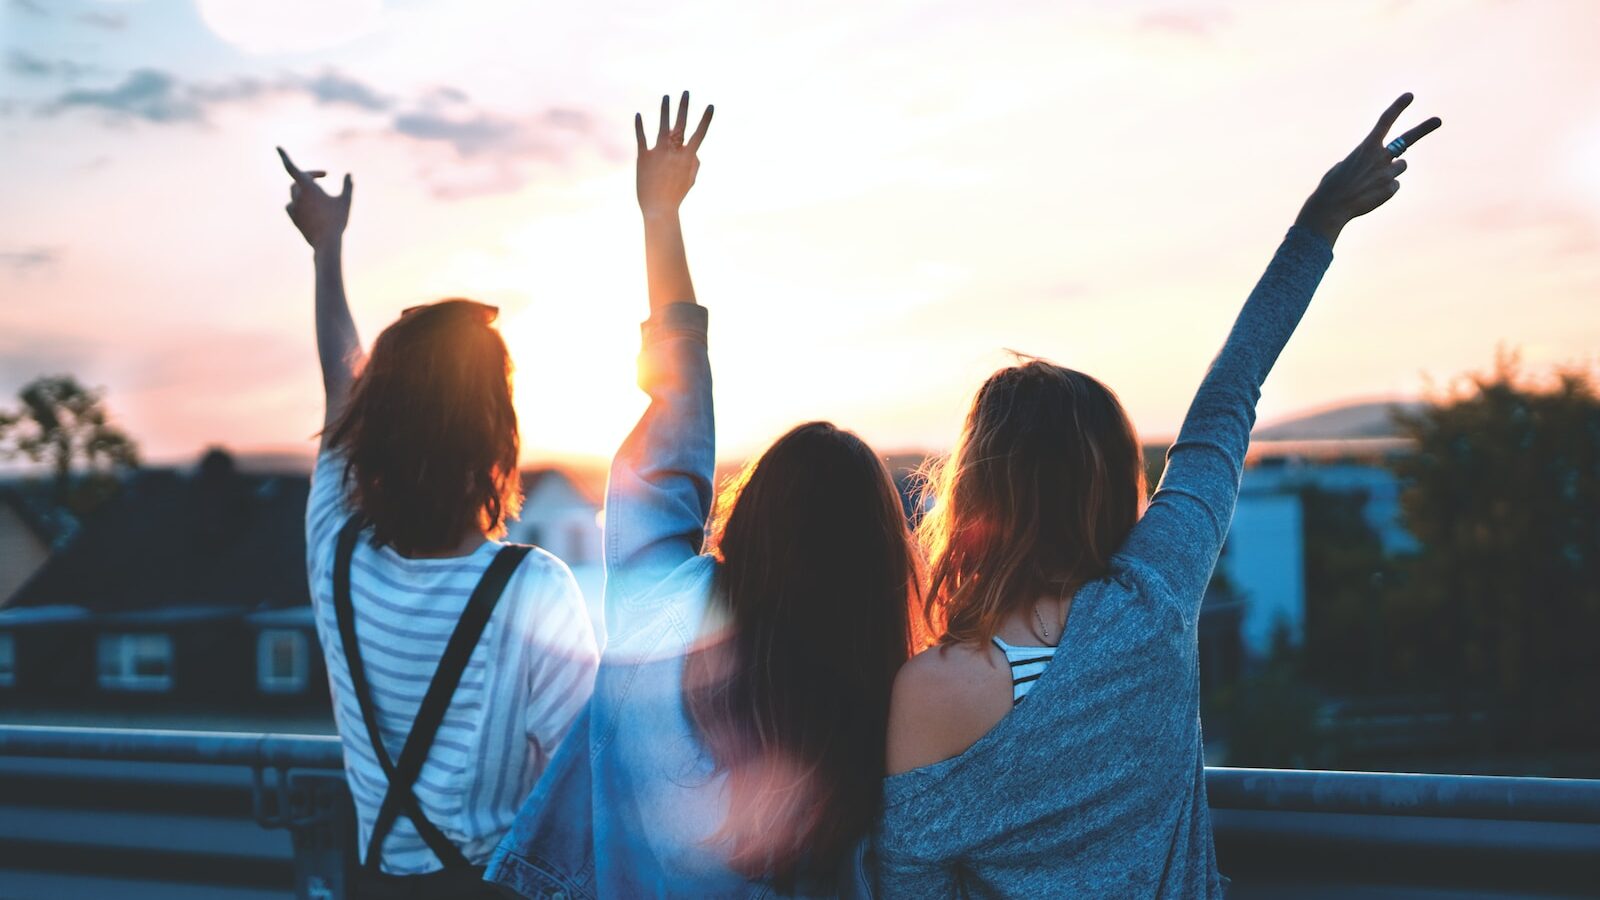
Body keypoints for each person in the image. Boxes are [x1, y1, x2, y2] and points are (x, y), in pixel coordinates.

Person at [878, 94, 1443, 897]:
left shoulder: (929, 691)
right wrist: (1318, 226)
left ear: (972, 489)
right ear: (1108, 484)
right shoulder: (1155, 599)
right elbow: (1227, 401)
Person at [488, 93, 920, 899]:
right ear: (875, 561)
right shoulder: (881, 712)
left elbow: (676, 425)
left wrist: (660, 216)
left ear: (750, 518)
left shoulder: (659, 616)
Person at [279, 147, 599, 899]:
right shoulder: (533, 591)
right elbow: (582, 789)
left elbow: (339, 383)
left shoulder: (335, 550)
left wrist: (327, 250)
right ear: (495, 438)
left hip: (373, 883)